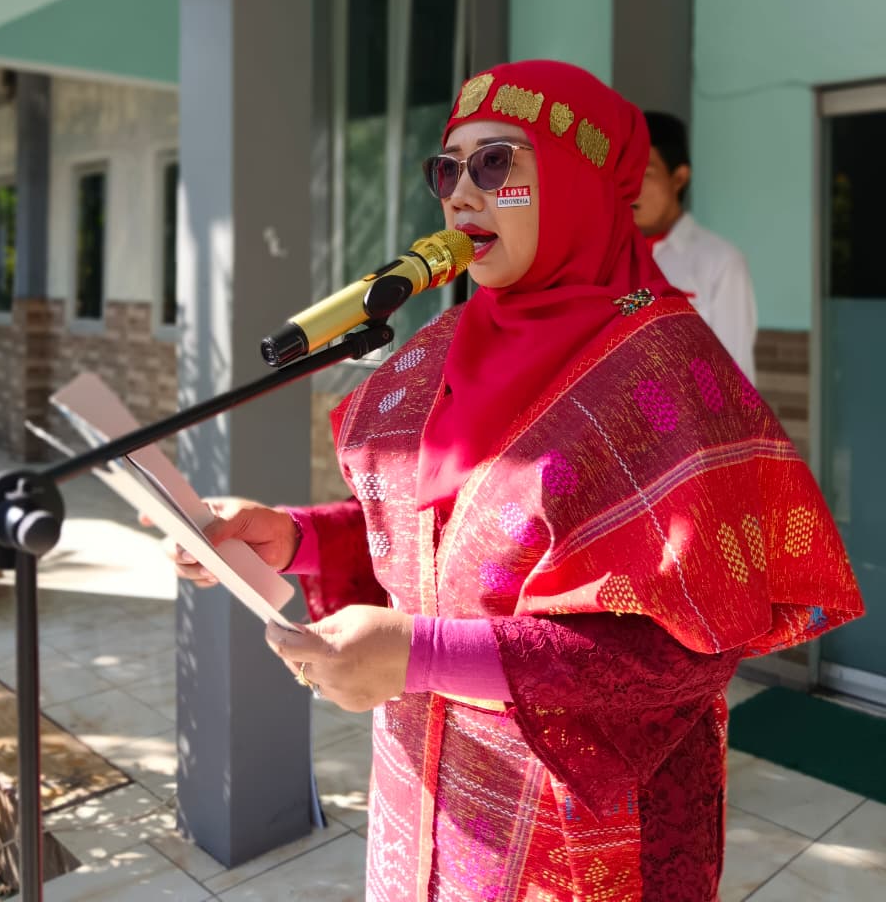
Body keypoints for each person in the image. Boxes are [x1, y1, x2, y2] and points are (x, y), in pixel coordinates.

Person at [176, 61, 861, 902]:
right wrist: (294, 538)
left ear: (575, 182)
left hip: (585, 841)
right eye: (447, 170)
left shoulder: (666, 368)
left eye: (496, 163)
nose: (462, 193)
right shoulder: (443, 349)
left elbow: (684, 651)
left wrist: (421, 655)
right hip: (426, 806)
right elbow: (436, 543)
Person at [633, 110, 758, 381]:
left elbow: (735, 377)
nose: (632, 188)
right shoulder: (614, 260)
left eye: (645, 173)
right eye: (625, 174)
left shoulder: (720, 263)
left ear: (679, 178)